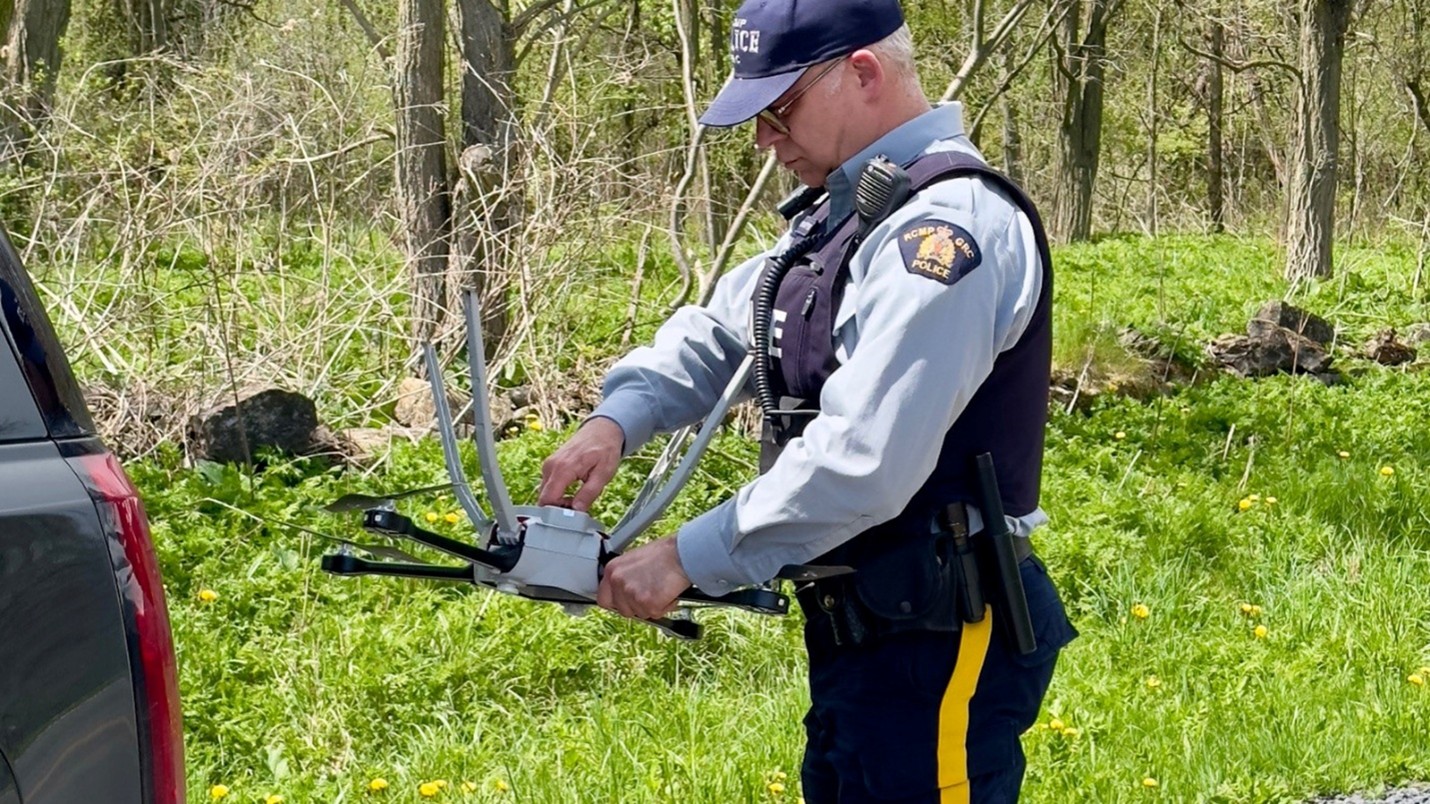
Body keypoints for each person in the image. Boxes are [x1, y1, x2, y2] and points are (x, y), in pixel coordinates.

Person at [538, 1, 1076, 800]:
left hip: (939, 631)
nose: (763, 138)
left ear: (862, 72)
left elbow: (864, 461)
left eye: (779, 108)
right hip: (874, 630)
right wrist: (616, 419)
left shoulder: (943, 232)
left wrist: (688, 557)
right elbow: (727, 328)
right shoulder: (845, 213)